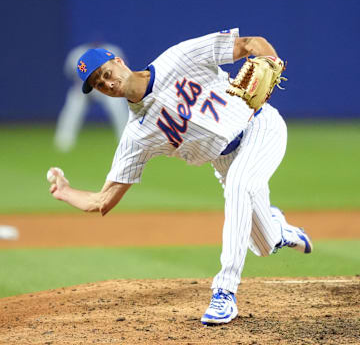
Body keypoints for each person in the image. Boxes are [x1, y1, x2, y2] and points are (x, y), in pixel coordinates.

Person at [49, 28, 313, 325]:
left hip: (260, 128)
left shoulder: (178, 58)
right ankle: (279, 231)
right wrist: (65, 192)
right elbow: (103, 201)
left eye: (106, 73)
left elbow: (250, 44)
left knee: (239, 186)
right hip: (224, 161)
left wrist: (270, 59)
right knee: (264, 245)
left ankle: (224, 292)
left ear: (120, 62)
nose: (108, 83)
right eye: (99, 84)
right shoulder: (136, 135)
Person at [54, 42, 129, 152]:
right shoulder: (78, 53)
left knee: (119, 108)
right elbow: (70, 72)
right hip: (84, 86)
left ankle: (126, 140)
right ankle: (64, 141)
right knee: (72, 110)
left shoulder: (112, 51)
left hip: (107, 86)